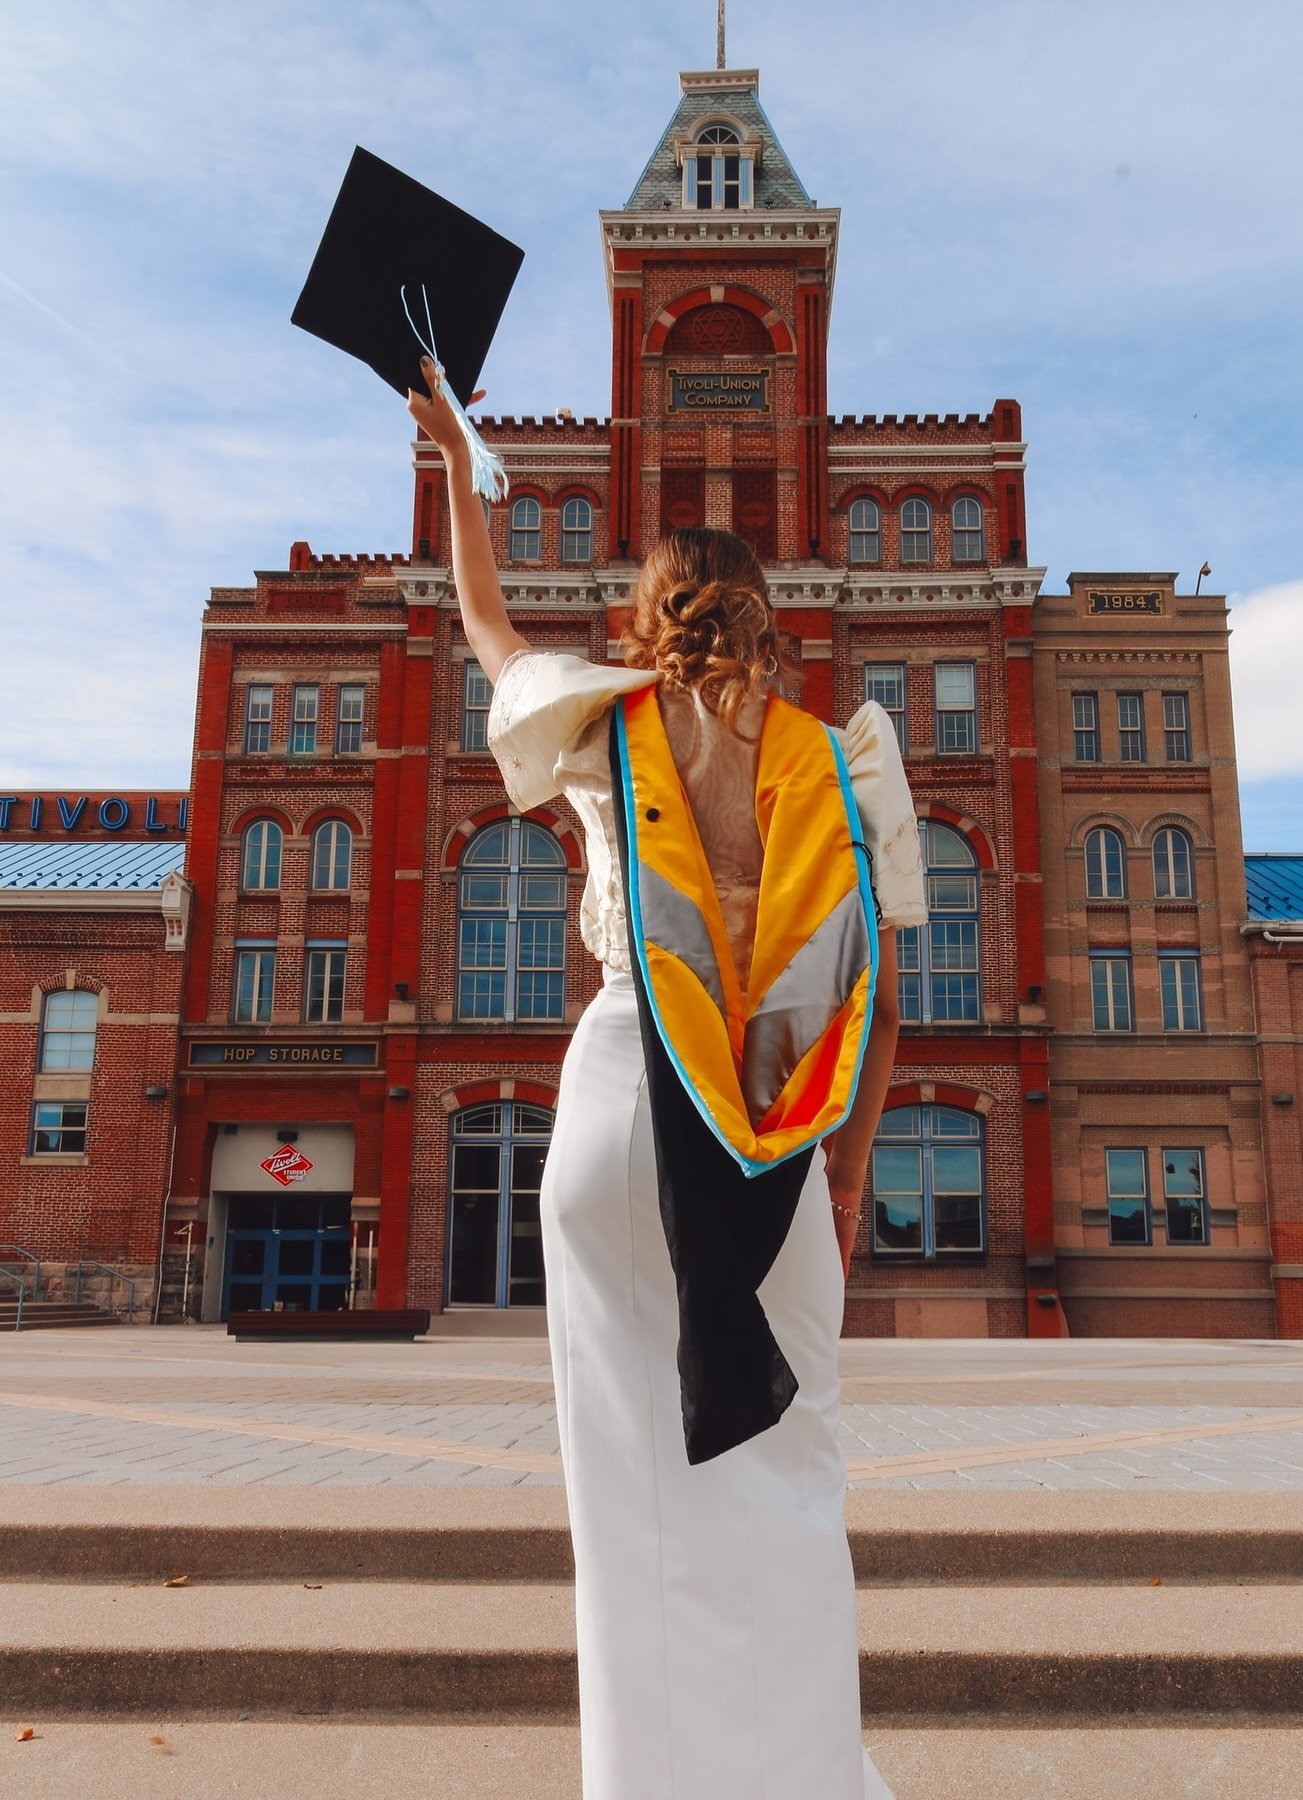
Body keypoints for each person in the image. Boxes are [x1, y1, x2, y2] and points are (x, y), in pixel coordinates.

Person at [409, 357, 924, 1800]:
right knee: (785, 1468)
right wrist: (853, 1159)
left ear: (643, 620)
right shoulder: (843, 763)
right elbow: (883, 1008)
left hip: (616, 1106)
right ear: (767, 621)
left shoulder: (601, 728)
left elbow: (486, 625)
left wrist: (460, 463)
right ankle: (797, 1776)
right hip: (771, 1135)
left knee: (627, 1487)